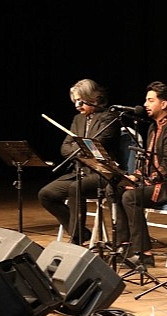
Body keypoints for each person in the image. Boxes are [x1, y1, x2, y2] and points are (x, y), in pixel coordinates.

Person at [108, 81, 167, 266]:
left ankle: (144, 254)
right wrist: (136, 176)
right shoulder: (153, 127)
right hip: (157, 180)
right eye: (146, 100)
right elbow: (148, 160)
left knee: (131, 197)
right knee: (116, 188)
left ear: (163, 104)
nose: (146, 105)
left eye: (150, 100)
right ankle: (124, 245)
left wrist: (145, 181)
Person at [38, 79, 119, 245]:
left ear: (94, 98)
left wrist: (80, 145)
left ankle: (76, 238)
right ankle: (81, 232)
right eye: (75, 101)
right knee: (46, 195)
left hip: (102, 173)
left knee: (76, 187)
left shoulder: (109, 117)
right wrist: (82, 146)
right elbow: (65, 148)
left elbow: (98, 144)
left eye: (80, 101)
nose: (77, 106)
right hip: (80, 172)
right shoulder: (78, 120)